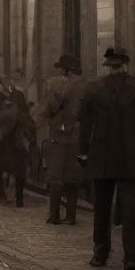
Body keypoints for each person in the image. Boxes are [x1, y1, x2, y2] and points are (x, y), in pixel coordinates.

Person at [78, 47, 135, 270]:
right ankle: (131, 258)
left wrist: (83, 151)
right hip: (129, 158)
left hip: (101, 158)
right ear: (126, 64)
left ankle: (100, 253)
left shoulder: (94, 89)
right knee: (131, 209)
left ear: (108, 65)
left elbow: (84, 124)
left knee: (101, 208)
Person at [40, 54, 86, 225]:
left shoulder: (52, 84)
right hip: (75, 135)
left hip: (58, 136)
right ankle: (71, 216)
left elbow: (46, 110)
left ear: (64, 69)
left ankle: (54, 215)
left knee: (55, 177)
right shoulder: (85, 85)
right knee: (72, 176)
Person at [0, 87, 28, 206]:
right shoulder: (22, 112)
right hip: (17, 145)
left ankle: (0, 194)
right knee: (19, 174)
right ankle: (19, 199)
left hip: (6, 144)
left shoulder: (8, 109)